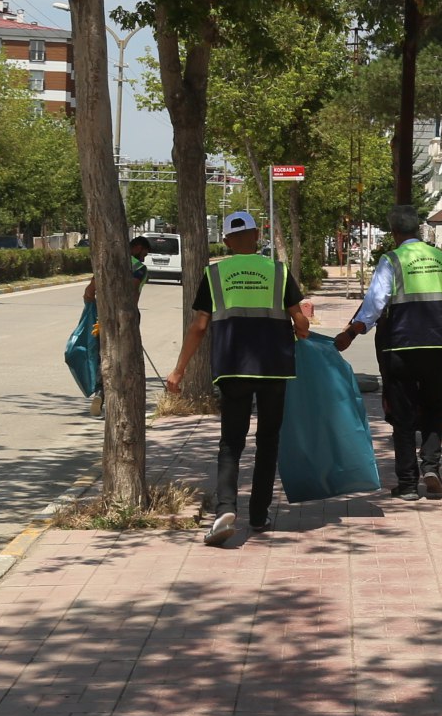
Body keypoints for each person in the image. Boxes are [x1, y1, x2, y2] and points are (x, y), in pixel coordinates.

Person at [167, 209, 313, 544]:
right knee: (268, 441)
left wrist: (179, 369)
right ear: (256, 236)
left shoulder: (215, 274)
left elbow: (200, 326)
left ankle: (225, 510)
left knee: (232, 442)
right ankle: (259, 513)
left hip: (232, 367)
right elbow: (300, 319)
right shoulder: (278, 271)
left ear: (229, 240)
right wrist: (300, 329)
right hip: (274, 368)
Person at [332, 206, 442, 498]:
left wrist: (351, 333)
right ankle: (431, 466)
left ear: (394, 233)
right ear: (418, 230)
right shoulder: (441, 259)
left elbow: (375, 304)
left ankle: (407, 484)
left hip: (399, 347)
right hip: (434, 346)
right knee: (433, 408)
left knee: (402, 414)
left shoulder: (392, 259)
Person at [79, 235, 156, 417]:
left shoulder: (106, 263)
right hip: (127, 317)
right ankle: (123, 398)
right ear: (137, 247)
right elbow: (131, 291)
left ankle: (100, 392)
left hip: (103, 317)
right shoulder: (139, 268)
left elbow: (89, 292)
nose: (145, 257)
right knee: (126, 358)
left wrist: (94, 307)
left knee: (104, 354)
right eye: (144, 252)